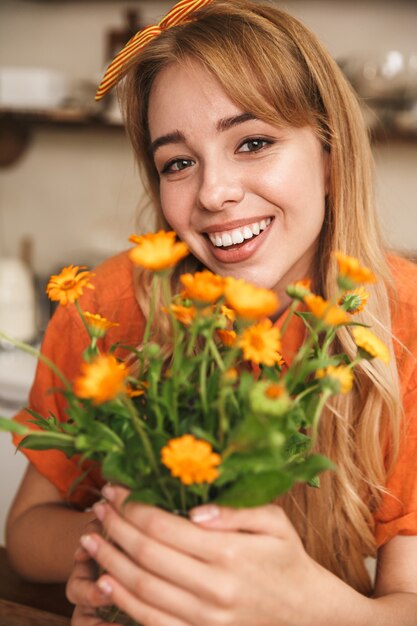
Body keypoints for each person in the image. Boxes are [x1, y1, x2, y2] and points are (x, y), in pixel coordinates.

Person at [5, 0, 417, 624]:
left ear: (331, 157)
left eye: (252, 142)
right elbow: (31, 532)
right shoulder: (108, 306)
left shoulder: (405, 326)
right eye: (179, 162)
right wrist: (123, 547)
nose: (214, 192)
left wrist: (294, 600)